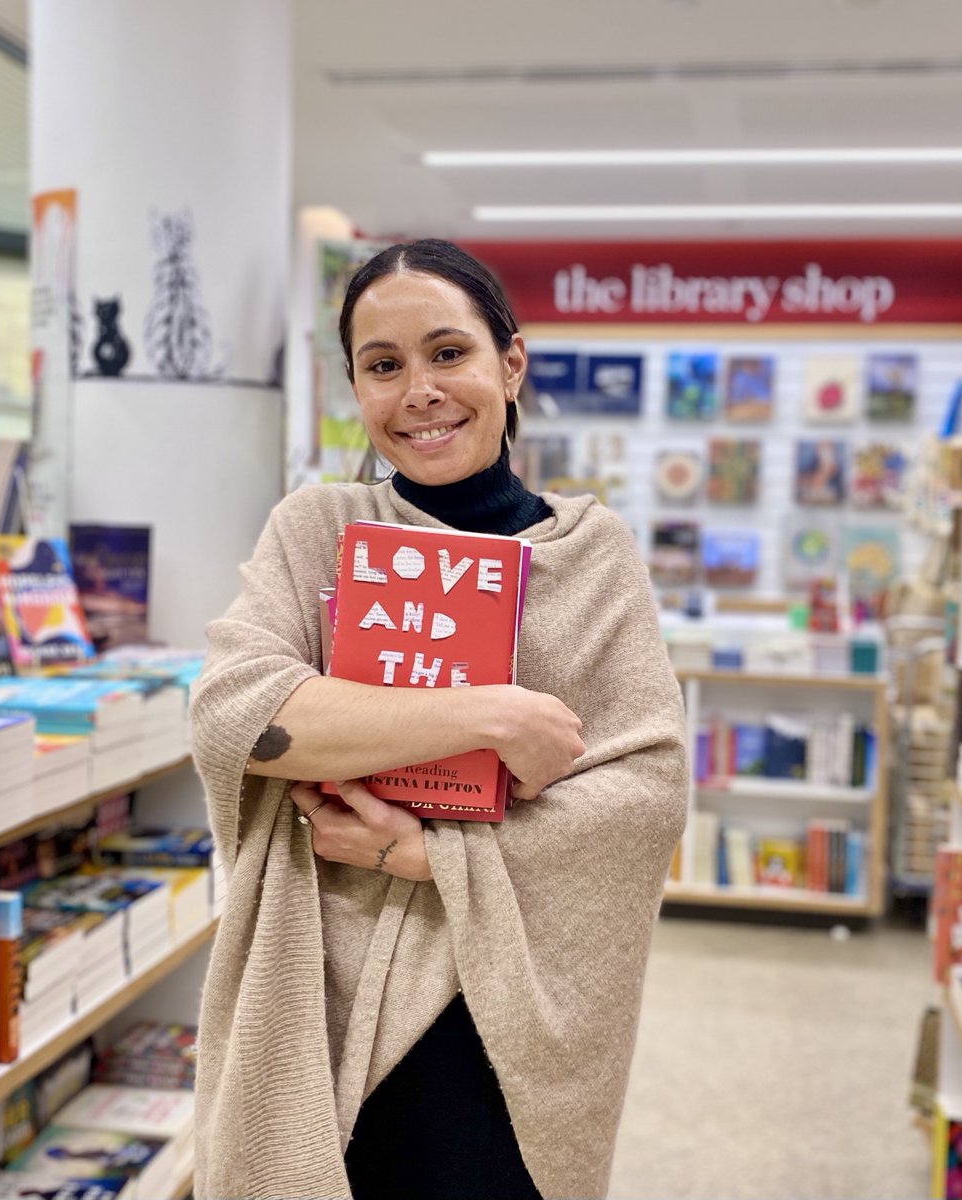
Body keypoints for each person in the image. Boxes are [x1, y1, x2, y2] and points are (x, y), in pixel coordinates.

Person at [189, 239, 688, 1200]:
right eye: (384, 366)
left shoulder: (595, 556)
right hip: (317, 995)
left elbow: (646, 793)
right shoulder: (318, 532)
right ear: (357, 389)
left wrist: (421, 855)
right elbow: (235, 710)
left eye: (448, 352)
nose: (419, 390)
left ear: (510, 363)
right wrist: (485, 716)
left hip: (501, 1014)